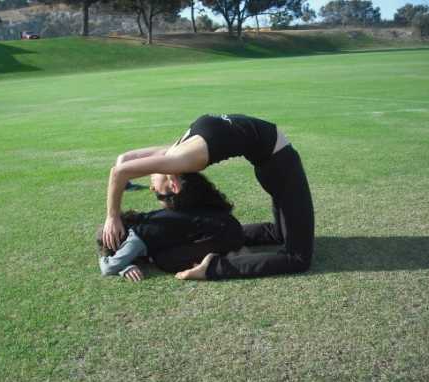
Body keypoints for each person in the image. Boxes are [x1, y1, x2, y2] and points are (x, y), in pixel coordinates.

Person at [101, 114, 314, 280]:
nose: (151, 188)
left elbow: (122, 165)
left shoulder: (176, 153)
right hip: (279, 164)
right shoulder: (180, 154)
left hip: (274, 165)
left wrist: (113, 217)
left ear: (173, 181)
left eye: (155, 190)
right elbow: (120, 170)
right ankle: (213, 268)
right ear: (174, 183)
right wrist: (114, 218)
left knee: (279, 233)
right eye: (155, 190)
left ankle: (224, 242)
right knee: (297, 259)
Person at [97, 173, 244, 282]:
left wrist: (117, 262)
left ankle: (212, 264)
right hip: (225, 225)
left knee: (162, 260)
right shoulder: (144, 221)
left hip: (226, 235)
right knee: (161, 253)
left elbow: (108, 267)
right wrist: (126, 266)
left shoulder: (135, 238)